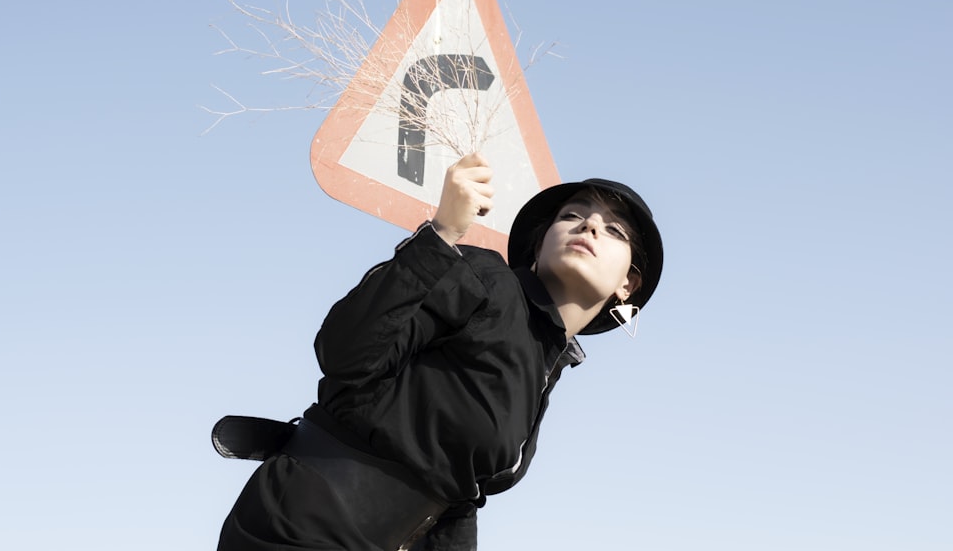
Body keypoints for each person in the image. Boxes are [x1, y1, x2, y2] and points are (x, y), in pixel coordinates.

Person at [212, 152, 664, 551]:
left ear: (628, 284)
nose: (590, 226)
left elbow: (459, 499)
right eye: (572, 215)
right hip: (302, 524)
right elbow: (345, 353)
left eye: (614, 231)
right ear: (539, 244)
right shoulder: (486, 279)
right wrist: (442, 232)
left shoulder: (549, 363)